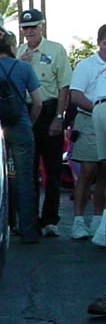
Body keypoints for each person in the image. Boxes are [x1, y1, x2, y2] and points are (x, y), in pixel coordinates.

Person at [17, 9, 73, 238]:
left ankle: (50, 219)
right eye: (25, 28)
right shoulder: (20, 51)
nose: (29, 32)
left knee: (52, 169)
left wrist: (59, 117)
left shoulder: (55, 50)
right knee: (27, 170)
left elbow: (64, 86)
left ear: (42, 26)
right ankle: (29, 221)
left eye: (33, 27)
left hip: (49, 111)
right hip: (26, 111)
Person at [0, 33, 43, 244]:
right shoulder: (25, 68)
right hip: (20, 126)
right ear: (12, 46)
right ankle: (28, 230)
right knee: (25, 179)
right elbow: (38, 102)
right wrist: (29, 122)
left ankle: (1, 229)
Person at [69, 23, 106, 247]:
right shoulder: (87, 65)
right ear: (100, 42)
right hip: (88, 118)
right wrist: (98, 109)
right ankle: (78, 220)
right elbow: (75, 95)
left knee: (104, 171)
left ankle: (99, 219)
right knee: (88, 170)